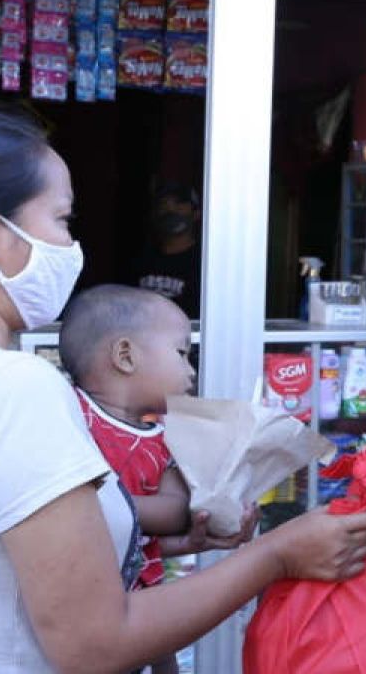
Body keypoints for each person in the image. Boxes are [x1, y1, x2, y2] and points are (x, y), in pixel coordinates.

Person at [0, 106, 366, 673]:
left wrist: (165, 544)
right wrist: (278, 554)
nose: (70, 246)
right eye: (61, 221)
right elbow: (96, 645)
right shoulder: (11, 388)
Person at [59, 284, 240, 674]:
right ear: (125, 355)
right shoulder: (68, 418)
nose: (191, 370)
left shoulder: (163, 437)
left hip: (142, 609)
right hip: (82, 614)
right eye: (181, 354)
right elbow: (168, 512)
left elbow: (156, 526)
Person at [134, 182, 201, 318]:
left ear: (196, 214)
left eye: (179, 204)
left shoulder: (205, 264)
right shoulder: (141, 261)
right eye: (163, 205)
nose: (171, 210)